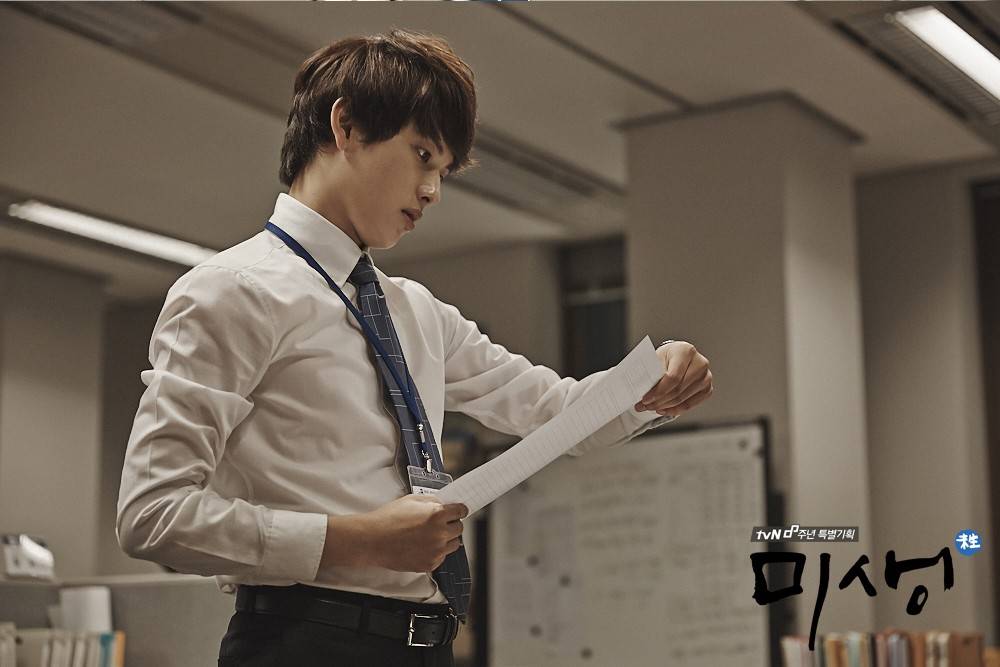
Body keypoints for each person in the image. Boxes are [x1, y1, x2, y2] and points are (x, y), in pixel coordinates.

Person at [116, 29, 713, 667]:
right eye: (423, 156)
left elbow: (555, 411)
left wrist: (652, 383)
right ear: (346, 126)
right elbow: (152, 513)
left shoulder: (417, 311)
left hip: (427, 645)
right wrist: (353, 540)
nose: (433, 191)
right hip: (303, 642)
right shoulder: (233, 290)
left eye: (443, 171)